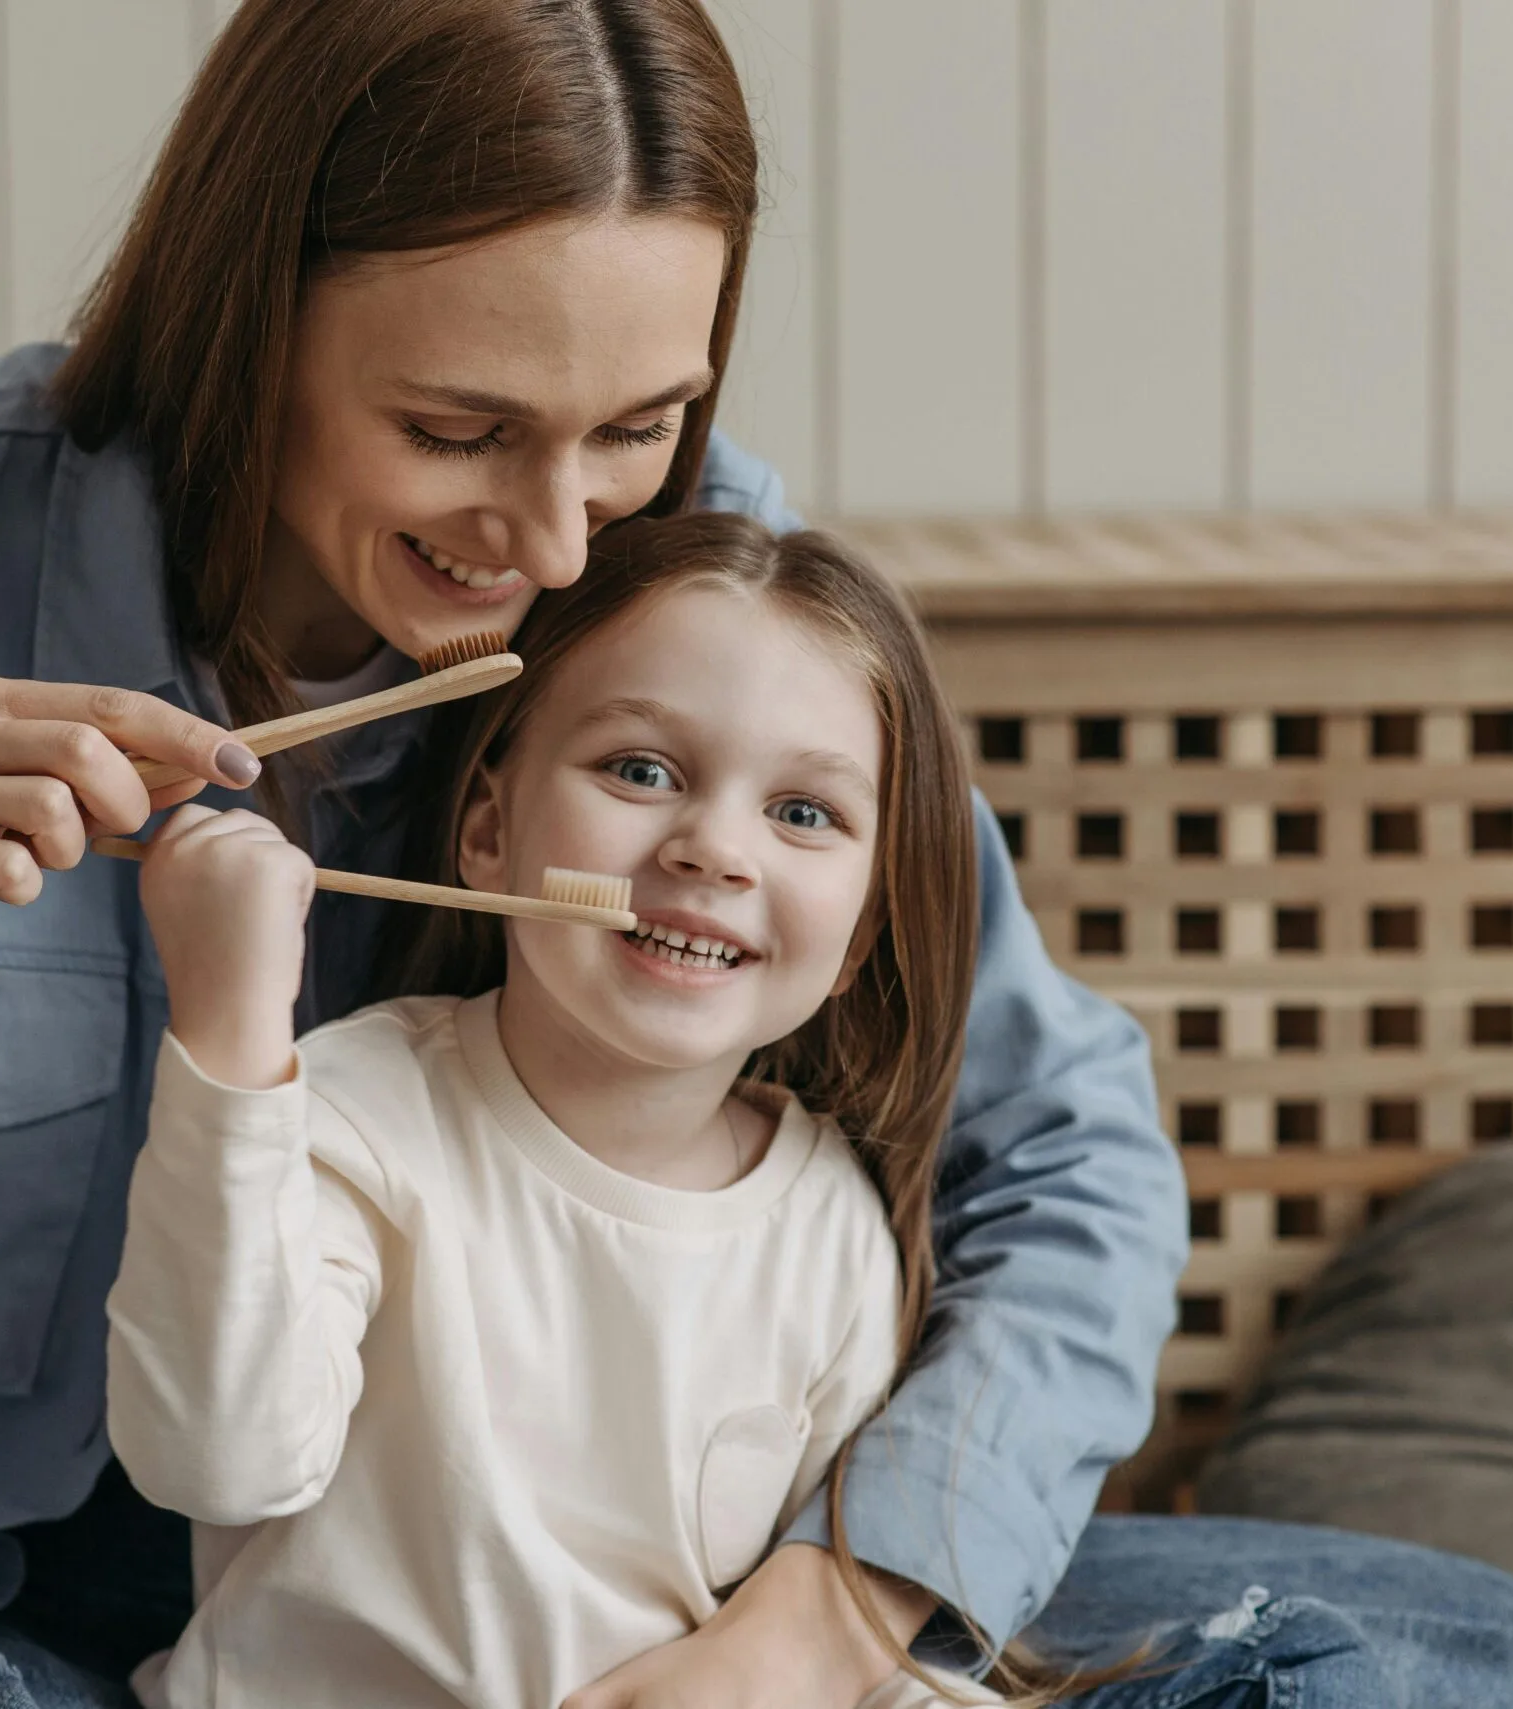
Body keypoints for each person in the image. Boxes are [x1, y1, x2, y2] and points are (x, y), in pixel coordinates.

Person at [0, 2, 1513, 1706]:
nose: (545, 543)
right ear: (242, 306)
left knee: (1452, 1648)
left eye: (630, 430)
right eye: (455, 431)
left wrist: (832, 1606)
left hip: (541, 1580)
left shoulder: (676, 591)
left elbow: (1061, 1151)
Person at [110, 513, 1014, 1708]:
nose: (713, 848)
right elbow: (214, 1458)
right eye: (641, 771)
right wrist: (230, 1026)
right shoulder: (354, 1111)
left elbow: (814, 1641)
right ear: (489, 834)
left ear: (859, 939)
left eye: (804, 813)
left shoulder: (830, 1226)